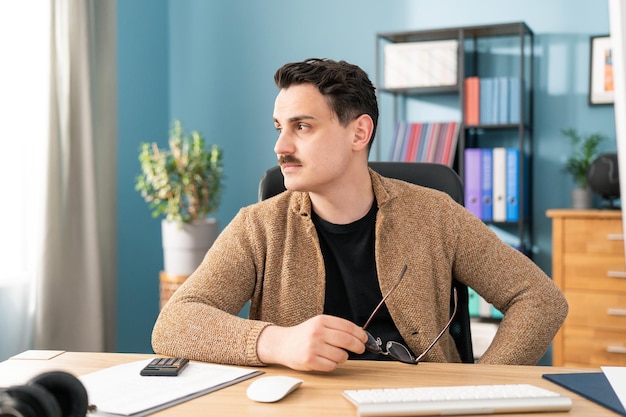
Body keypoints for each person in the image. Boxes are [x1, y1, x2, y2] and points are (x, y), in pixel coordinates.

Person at [152, 58, 568, 372]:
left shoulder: (435, 214)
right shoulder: (258, 226)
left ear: (359, 132)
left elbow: (540, 300)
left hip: (420, 407)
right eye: (279, 127)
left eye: (302, 127)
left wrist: (482, 388)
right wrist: (275, 343)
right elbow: (173, 325)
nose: (280, 146)